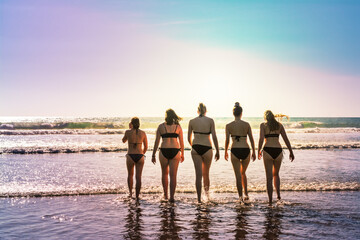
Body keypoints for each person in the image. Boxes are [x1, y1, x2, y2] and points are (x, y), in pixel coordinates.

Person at [258, 110, 295, 204]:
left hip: (268, 150)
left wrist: (258, 150)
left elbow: (261, 139)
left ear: (265, 117)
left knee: (269, 177)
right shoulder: (279, 125)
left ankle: (270, 201)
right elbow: (286, 139)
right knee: (276, 175)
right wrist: (291, 151)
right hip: (278, 151)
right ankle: (278, 196)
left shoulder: (263, 125)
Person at [188, 103, 220, 203]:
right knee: (206, 174)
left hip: (196, 147)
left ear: (198, 111)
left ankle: (198, 199)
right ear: (206, 111)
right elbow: (214, 136)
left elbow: (188, 137)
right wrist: (218, 150)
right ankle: (207, 197)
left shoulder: (192, 121)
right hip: (207, 148)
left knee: (198, 175)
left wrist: (193, 145)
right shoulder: (210, 121)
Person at [224, 102, 256, 202]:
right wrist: (254, 152)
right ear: (241, 113)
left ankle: (240, 197)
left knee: (238, 175)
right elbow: (251, 139)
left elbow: (227, 140)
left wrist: (225, 151)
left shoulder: (228, 125)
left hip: (235, 150)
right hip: (246, 150)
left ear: (233, 114)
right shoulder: (246, 124)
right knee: (243, 173)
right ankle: (246, 194)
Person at [152, 109, 185, 202]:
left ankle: (165, 195)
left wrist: (153, 154)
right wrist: (182, 153)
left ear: (166, 116)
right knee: (173, 175)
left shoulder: (161, 126)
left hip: (163, 151)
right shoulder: (178, 127)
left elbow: (157, 141)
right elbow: (181, 142)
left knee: (164, 174)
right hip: (175, 151)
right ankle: (172, 197)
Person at [122, 117, 148, 200]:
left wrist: (130, 128)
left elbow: (123, 141)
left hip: (130, 155)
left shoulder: (128, 132)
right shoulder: (143, 133)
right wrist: (142, 153)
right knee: (138, 177)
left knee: (130, 175)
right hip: (140, 156)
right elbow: (146, 146)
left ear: (131, 123)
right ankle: (137, 196)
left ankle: (130, 194)